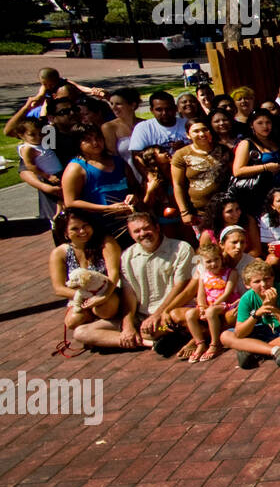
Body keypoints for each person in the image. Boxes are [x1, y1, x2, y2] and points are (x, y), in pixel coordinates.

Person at [73, 212, 194, 352]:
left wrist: (157, 315)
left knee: (156, 330)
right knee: (81, 332)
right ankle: (148, 343)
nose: (143, 233)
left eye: (146, 228)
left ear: (157, 227)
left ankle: (134, 338)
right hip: (140, 318)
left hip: (167, 317)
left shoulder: (181, 249)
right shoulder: (127, 256)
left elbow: (180, 287)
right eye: (136, 231)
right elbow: (128, 294)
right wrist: (127, 324)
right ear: (131, 235)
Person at [220, 260, 280, 369]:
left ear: (273, 278)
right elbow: (239, 333)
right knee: (226, 336)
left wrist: (273, 308)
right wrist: (257, 314)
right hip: (264, 331)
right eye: (257, 282)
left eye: (267, 279)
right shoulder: (247, 298)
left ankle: (254, 350)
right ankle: (274, 350)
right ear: (247, 285)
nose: (263, 285)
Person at [49, 209, 122, 333]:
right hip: (80, 296)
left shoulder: (105, 242)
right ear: (65, 233)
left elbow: (114, 274)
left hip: (108, 290)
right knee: (72, 321)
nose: (82, 231)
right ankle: (96, 326)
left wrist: (103, 296)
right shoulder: (59, 253)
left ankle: (115, 323)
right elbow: (58, 288)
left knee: (103, 309)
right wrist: (86, 298)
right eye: (75, 229)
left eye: (85, 226)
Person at [61, 126, 137, 240]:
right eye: (88, 140)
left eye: (98, 138)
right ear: (78, 143)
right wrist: (107, 208)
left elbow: (134, 187)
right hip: (100, 226)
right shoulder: (75, 168)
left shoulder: (118, 161)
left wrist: (134, 196)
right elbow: (70, 202)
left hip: (128, 222)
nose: (95, 143)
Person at [171, 118, 230, 232]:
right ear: (188, 135)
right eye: (196, 131)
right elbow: (178, 185)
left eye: (204, 130)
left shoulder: (223, 150)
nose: (202, 134)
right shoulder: (181, 155)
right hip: (199, 214)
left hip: (226, 210)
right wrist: (184, 212)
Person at [128, 91, 190, 171]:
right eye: (159, 110)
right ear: (151, 110)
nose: (164, 113)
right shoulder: (143, 128)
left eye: (168, 109)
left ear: (175, 108)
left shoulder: (187, 124)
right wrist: (150, 178)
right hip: (159, 175)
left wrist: (185, 149)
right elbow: (137, 158)